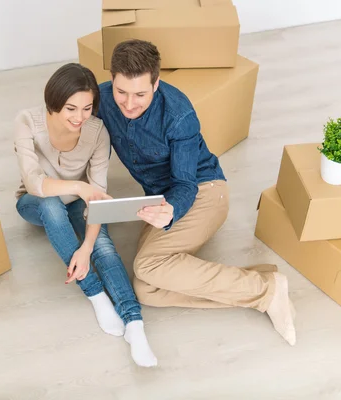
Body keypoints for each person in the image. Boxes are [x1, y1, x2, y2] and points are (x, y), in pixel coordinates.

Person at [96, 40, 297, 346]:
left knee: (147, 266)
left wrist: (172, 211)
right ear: (112, 80)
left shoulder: (179, 115)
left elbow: (186, 184)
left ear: (156, 83)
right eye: (121, 91)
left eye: (140, 94)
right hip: (157, 200)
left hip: (203, 193)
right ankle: (261, 284)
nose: (129, 103)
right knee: (147, 290)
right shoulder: (104, 97)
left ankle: (264, 291)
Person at [13, 63, 158, 366]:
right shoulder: (28, 121)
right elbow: (34, 183)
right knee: (53, 206)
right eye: (70, 108)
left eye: (87, 108)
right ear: (53, 101)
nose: (79, 117)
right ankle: (94, 293)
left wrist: (88, 246)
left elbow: (98, 196)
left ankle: (134, 323)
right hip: (35, 201)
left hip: (81, 200)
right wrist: (79, 187)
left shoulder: (97, 132)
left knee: (104, 245)